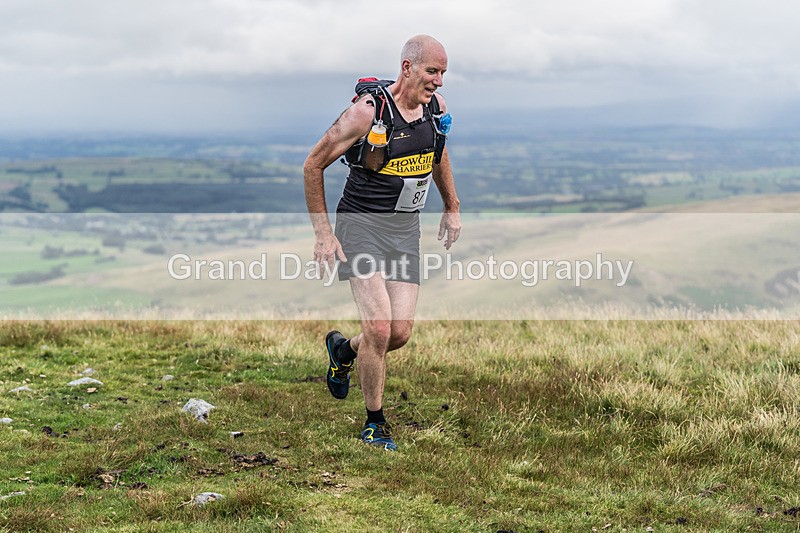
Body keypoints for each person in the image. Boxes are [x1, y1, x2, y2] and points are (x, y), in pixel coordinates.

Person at [303, 35, 461, 451]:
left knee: (399, 332)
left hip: (405, 230)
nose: (439, 81)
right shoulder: (366, 113)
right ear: (407, 67)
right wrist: (323, 234)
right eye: (432, 71)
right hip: (361, 227)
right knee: (378, 326)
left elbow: (437, 153)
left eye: (443, 73)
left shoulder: (436, 111)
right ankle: (375, 422)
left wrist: (453, 205)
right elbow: (313, 164)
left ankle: (342, 350)